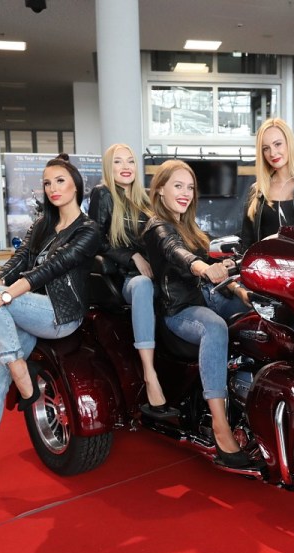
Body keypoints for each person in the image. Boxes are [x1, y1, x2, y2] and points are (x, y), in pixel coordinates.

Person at [0, 153, 101, 508]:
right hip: (25, 313)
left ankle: (19, 367)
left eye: (60, 181)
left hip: (60, 315)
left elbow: (50, 270)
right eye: (47, 183)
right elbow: (19, 261)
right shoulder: (43, 225)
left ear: (76, 185)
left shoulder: (88, 230)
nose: (53, 188)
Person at [143, 159, 252, 468]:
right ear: (160, 189)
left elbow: (214, 269)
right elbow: (176, 253)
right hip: (179, 310)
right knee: (215, 327)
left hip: (207, 298)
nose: (185, 193)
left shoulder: (190, 227)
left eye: (190, 187)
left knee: (262, 316)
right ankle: (220, 425)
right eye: (178, 186)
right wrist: (203, 268)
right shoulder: (158, 227)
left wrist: (242, 291)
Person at [86, 143, 172, 416]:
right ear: (108, 168)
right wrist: (131, 256)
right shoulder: (103, 194)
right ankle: (149, 374)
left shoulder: (143, 199)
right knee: (142, 285)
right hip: (126, 278)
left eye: (130, 161)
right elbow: (95, 240)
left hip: (156, 274)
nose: (125, 167)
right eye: (118, 162)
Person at [239, 117, 294, 251]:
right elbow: (247, 244)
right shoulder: (257, 191)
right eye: (266, 148)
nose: (272, 153)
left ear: (289, 143)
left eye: (277, 144)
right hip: (267, 264)